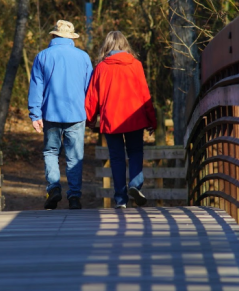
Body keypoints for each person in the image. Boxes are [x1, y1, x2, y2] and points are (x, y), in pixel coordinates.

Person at [85, 31, 157, 209]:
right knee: (135, 153)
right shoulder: (136, 65)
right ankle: (135, 185)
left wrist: (90, 120)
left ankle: (120, 199)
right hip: (135, 118)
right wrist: (151, 120)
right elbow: (144, 94)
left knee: (116, 158)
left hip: (111, 119)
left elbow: (92, 97)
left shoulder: (101, 68)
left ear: (107, 47)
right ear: (125, 45)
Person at [28, 20, 94, 210]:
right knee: (75, 156)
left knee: (51, 152)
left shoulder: (43, 56)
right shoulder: (83, 57)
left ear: (53, 36)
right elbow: (89, 89)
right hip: (76, 113)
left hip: (51, 113)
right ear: (71, 38)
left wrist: (35, 114)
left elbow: (37, 87)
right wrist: (90, 113)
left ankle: (54, 187)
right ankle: (74, 196)